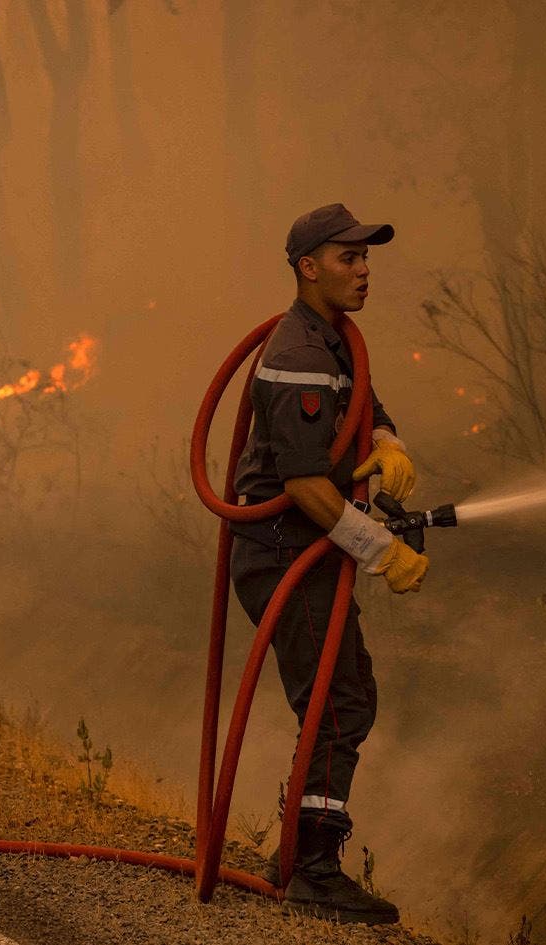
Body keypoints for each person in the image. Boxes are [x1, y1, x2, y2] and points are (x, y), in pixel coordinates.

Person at [229, 203, 428, 925]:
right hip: (284, 550)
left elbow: (364, 403)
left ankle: (297, 854)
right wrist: (383, 550)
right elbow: (307, 484)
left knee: (342, 697)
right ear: (309, 267)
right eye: (349, 257)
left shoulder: (336, 340)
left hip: (306, 546)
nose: (365, 268)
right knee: (338, 702)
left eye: (367, 255)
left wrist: (387, 437)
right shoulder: (300, 353)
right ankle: (310, 868)